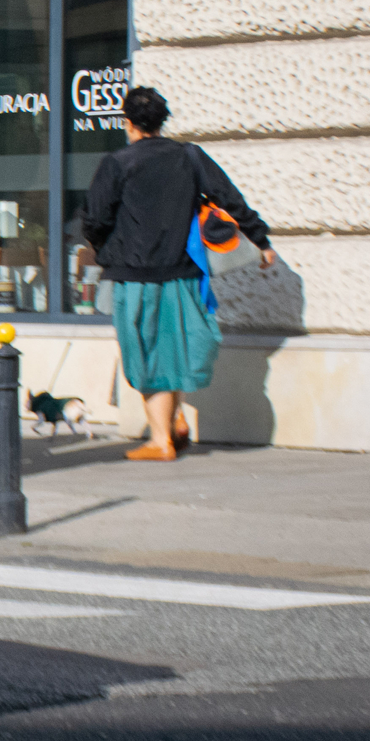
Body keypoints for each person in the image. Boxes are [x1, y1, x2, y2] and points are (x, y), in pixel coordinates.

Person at [82, 85, 275, 461]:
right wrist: (260, 239)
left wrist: (107, 251)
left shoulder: (118, 163)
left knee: (145, 355)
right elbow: (229, 198)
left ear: (128, 123)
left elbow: (94, 218)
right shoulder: (189, 156)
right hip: (183, 274)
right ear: (162, 121)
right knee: (175, 349)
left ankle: (160, 440)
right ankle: (178, 421)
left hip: (136, 276)